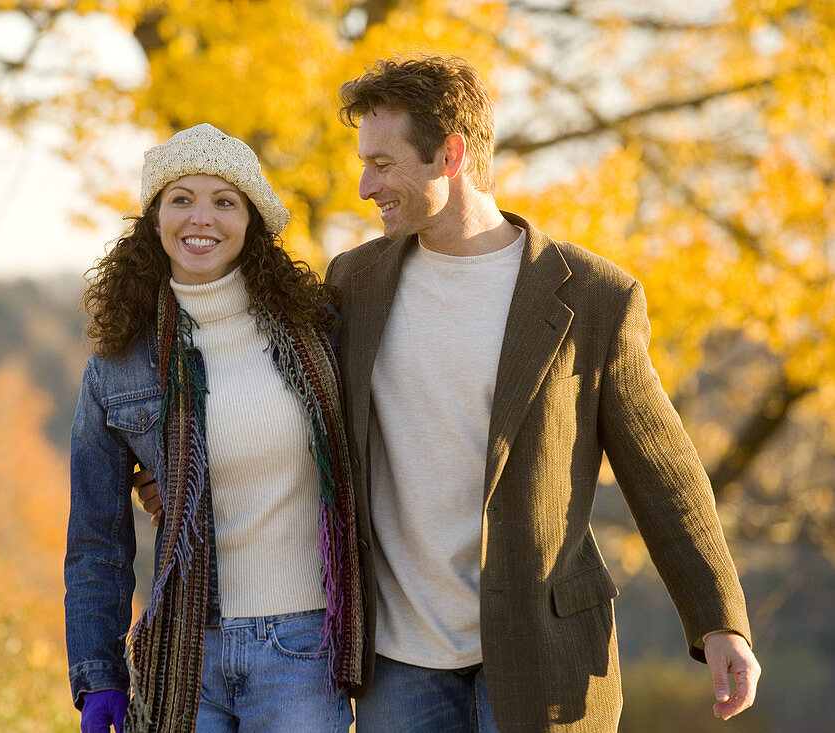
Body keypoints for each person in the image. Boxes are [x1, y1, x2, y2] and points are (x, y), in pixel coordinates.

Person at [322, 56, 762, 732]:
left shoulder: (593, 296)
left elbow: (664, 472)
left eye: (383, 164)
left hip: (544, 656)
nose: (363, 185)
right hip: (398, 664)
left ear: (450, 155)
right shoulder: (354, 282)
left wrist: (720, 621)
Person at [64, 123, 363, 733]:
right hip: (182, 655)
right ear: (154, 220)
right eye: (182, 199)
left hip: (301, 652)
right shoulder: (116, 369)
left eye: (224, 201)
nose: (202, 218)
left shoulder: (320, 335)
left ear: (251, 222)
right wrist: (98, 677)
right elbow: (97, 541)